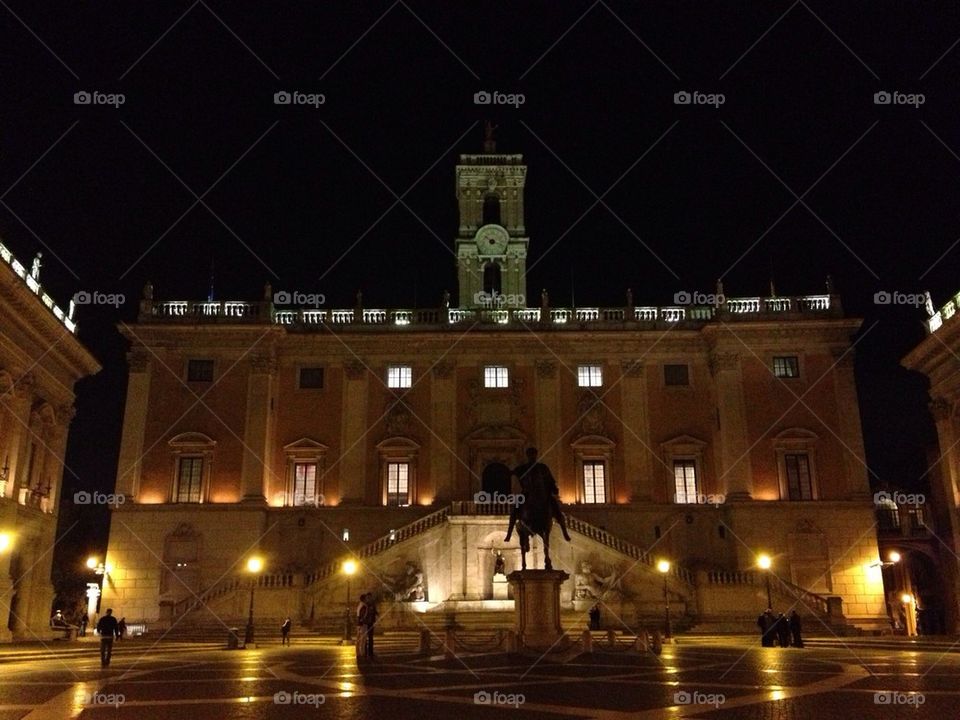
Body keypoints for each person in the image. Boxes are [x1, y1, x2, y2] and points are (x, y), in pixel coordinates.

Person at [506, 447, 571, 542]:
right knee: (515, 510)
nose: (532, 456)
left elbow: (550, 479)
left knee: (556, 508)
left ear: (536, 455)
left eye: (533, 454)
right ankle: (509, 533)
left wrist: (554, 488)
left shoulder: (543, 467)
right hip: (527, 493)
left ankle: (564, 531)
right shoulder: (523, 468)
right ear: (527, 456)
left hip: (543, 493)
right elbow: (512, 472)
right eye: (530, 455)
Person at [356, 594, 370, 659]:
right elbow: (363, 616)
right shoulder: (364, 606)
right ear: (364, 599)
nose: (367, 599)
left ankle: (358, 652)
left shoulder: (359, 605)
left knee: (359, 639)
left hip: (359, 624)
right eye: (366, 598)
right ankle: (362, 653)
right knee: (363, 639)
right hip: (363, 624)